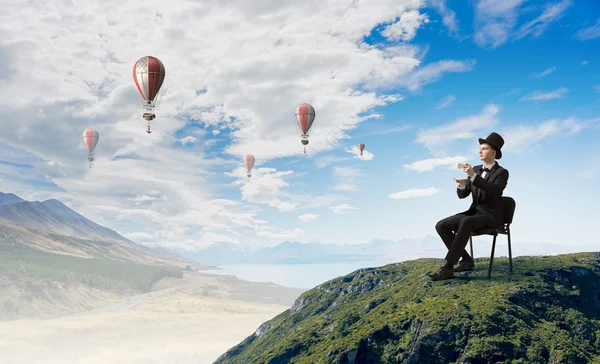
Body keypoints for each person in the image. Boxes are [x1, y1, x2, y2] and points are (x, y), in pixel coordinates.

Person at [430, 132, 509, 281]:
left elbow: (495, 191)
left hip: (492, 216)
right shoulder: (477, 169)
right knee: (441, 225)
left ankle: (448, 268)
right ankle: (466, 259)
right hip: (475, 212)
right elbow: (463, 195)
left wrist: (473, 176)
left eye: (484, 148)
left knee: (466, 222)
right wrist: (462, 186)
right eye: (480, 148)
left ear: (493, 152)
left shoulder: (502, 173)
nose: (480, 151)